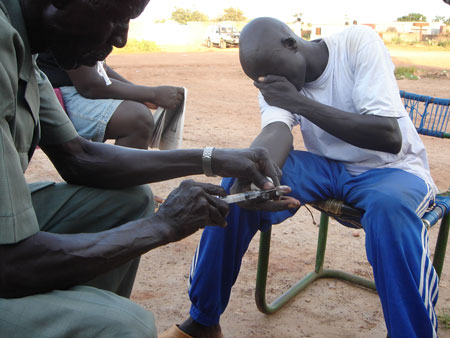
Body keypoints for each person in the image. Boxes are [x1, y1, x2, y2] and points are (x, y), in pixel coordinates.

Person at [0, 1, 283, 337]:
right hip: (10, 260)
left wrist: (213, 158)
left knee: (129, 200)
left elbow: (79, 157)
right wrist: (163, 225)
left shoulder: (26, 47)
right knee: (125, 326)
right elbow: (11, 264)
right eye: (117, 19)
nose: (121, 40)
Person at [163, 17, 439, 338]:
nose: (267, 82)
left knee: (392, 211)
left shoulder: (356, 44)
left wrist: (297, 102)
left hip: (392, 171)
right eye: (259, 79)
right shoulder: (276, 83)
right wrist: (254, 176)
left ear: (292, 43)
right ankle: (203, 321)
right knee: (238, 185)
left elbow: (388, 135)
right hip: (328, 168)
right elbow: (276, 132)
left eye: (270, 73)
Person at [37, 52, 184, 149]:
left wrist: (143, 95)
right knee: (136, 118)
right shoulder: (76, 15)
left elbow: (100, 69)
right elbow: (89, 86)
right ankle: (123, 191)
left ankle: (127, 186)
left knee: (136, 107)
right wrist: (152, 93)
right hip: (53, 93)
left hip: (73, 88)